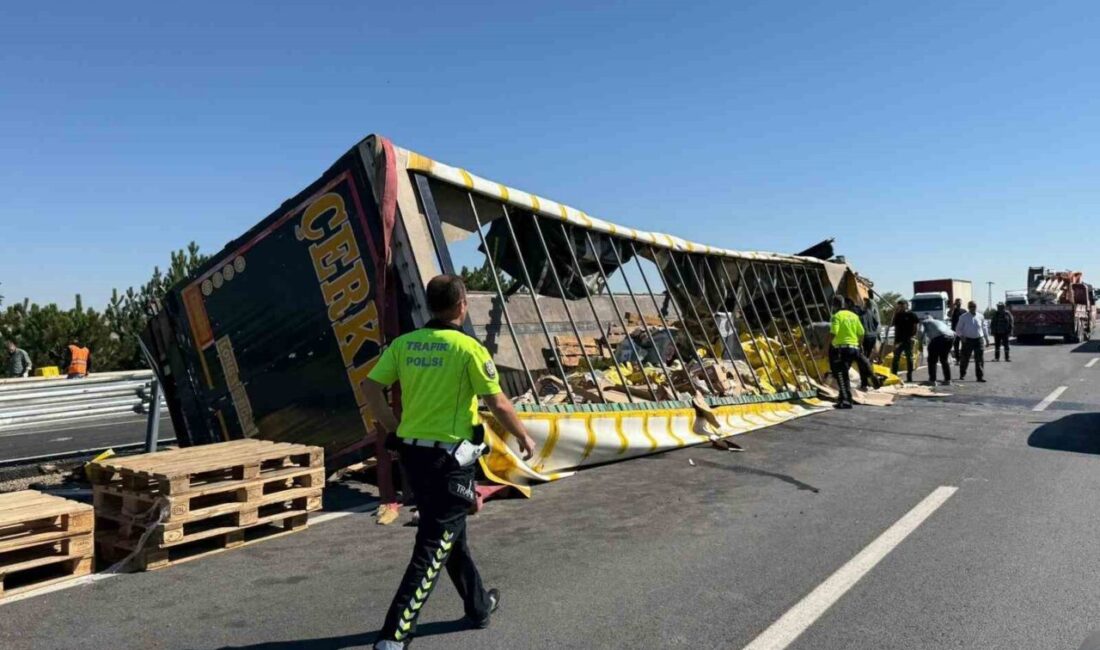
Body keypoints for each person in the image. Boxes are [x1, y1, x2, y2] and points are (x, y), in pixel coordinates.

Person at [362, 274, 537, 650]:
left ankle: (479, 607)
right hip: (449, 462)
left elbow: (371, 387)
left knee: (449, 534)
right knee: (432, 546)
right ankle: (394, 636)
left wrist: (392, 426)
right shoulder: (468, 348)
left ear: (430, 304)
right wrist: (523, 436)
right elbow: (497, 402)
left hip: (413, 457)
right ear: (462, 304)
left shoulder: (404, 344)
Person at [828, 295, 865, 409]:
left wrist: (825, 348)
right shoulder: (854, 316)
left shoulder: (836, 316)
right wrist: (859, 345)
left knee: (841, 375)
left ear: (834, 305)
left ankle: (846, 400)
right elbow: (862, 333)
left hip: (841, 349)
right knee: (843, 374)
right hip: (853, 349)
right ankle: (842, 398)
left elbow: (834, 333)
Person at [955, 301, 987, 382]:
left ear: (976, 307)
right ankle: (962, 374)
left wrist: (986, 338)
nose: (973, 308)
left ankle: (980, 377)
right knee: (965, 359)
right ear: (968, 307)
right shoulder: (963, 317)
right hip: (967, 340)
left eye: (974, 306)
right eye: (971, 306)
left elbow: (984, 328)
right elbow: (958, 329)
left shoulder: (980, 316)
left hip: (979, 340)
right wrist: (961, 336)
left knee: (979, 359)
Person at [919, 314, 955, 385]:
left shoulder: (925, 322)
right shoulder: (939, 321)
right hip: (950, 337)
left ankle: (932, 380)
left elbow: (920, 332)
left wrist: (920, 342)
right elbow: (953, 332)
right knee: (944, 359)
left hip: (939, 338)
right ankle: (948, 380)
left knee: (932, 360)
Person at [890, 300, 920, 383]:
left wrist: (914, 336)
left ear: (906, 305)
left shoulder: (911, 314)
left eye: (902, 306)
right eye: (899, 306)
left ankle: (909, 375)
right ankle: (894, 375)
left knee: (909, 357)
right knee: (896, 357)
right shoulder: (897, 315)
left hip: (908, 339)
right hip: (898, 340)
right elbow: (892, 324)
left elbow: (916, 326)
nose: (901, 307)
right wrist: (894, 313)